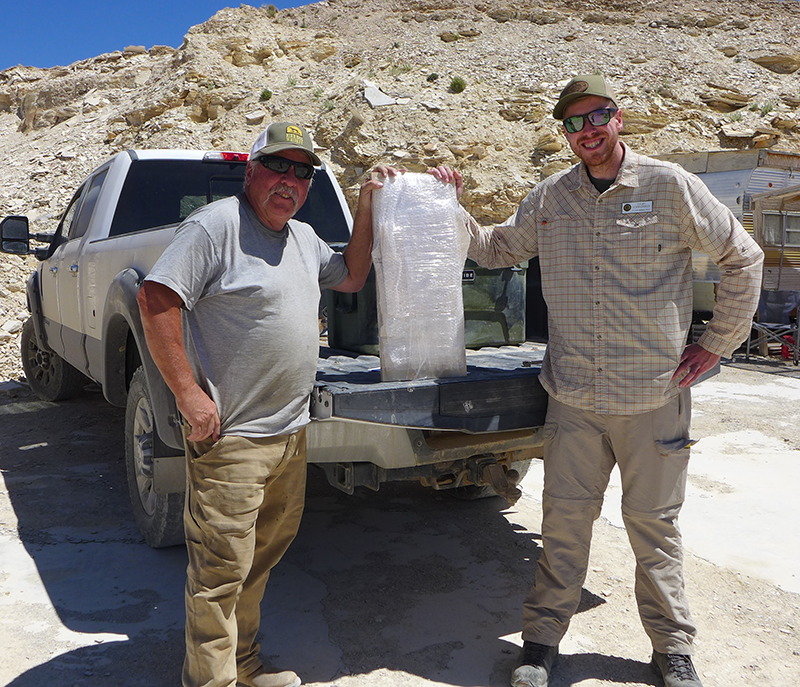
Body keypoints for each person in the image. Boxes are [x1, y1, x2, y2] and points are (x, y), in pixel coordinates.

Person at [430, 75, 764, 687]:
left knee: (654, 527)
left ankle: (671, 648)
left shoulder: (671, 185)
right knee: (562, 524)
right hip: (575, 399)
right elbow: (497, 249)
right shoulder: (550, 197)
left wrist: (716, 343)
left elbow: (742, 258)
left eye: (598, 117)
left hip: (652, 397)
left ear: (618, 118)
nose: (588, 131)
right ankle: (540, 643)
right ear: (565, 134)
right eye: (574, 123)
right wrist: (449, 209)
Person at [137, 122, 397, 687]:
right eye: (278, 166)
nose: (290, 181)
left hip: (288, 435)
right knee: (218, 573)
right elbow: (156, 298)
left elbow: (352, 276)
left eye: (302, 172)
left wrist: (365, 206)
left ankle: (244, 667)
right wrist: (187, 393)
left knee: (257, 562)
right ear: (250, 170)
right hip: (231, 439)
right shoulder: (215, 227)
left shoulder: (302, 239)